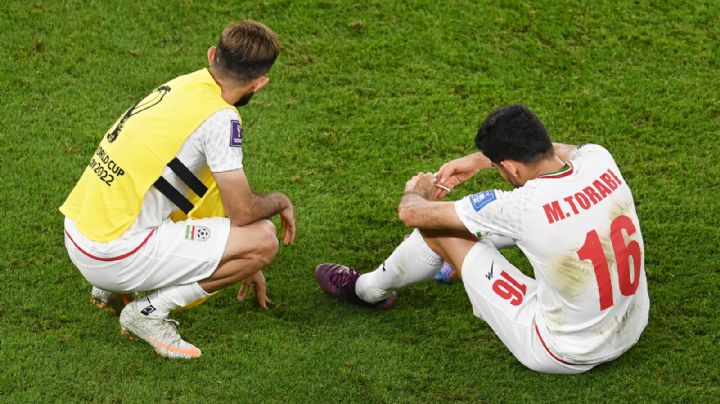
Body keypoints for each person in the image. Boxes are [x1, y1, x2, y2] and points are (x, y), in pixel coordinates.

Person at [315, 104, 648, 374]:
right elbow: (562, 150)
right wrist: (481, 160)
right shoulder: (598, 159)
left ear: (512, 169)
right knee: (528, 229)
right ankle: (450, 267)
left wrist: (417, 190)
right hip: (632, 326)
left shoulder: (520, 206)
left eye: (500, 168)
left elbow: (412, 214)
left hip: (560, 349)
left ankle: (366, 290)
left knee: (441, 230)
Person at [60, 20, 295, 359]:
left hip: (78, 231)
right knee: (263, 240)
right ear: (260, 83)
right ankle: (147, 313)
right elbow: (243, 211)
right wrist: (279, 203)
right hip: (112, 255)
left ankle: (109, 287)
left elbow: (202, 186)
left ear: (212, 55)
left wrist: (229, 248)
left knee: (167, 191)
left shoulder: (182, 86)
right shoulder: (220, 118)